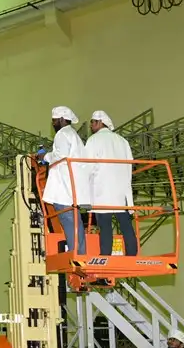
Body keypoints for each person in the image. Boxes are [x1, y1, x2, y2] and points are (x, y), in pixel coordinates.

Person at [85, 111, 138, 256]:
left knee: (105, 225)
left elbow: (87, 166)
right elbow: (130, 164)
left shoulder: (94, 140)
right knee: (126, 225)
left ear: (100, 122)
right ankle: (132, 255)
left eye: (92, 122)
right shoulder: (123, 141)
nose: (90, 125)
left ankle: (105, 257)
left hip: (102, 191)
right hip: (122, 192)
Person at [39, 106, 88, 255]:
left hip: (64, 188)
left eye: (54, 121)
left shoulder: (62, 134)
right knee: (75, 221)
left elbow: (60, 155)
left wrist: (45, 157)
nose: (53, 124)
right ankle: (80, 252)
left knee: (67, 219)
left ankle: (74, 253)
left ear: (61, 119)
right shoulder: (74, 135)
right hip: (73, 186)